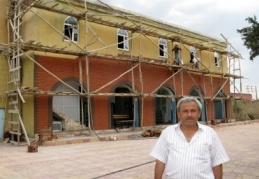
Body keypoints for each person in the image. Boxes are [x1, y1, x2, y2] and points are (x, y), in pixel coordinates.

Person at [150, 96, 229, 179]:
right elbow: (160, 160)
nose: (189, 115)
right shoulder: (167, 132)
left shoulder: (210, 133)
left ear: (199, 113)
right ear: (178, 114)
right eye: (185, 111)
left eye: (193, 111)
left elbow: (217, 162)